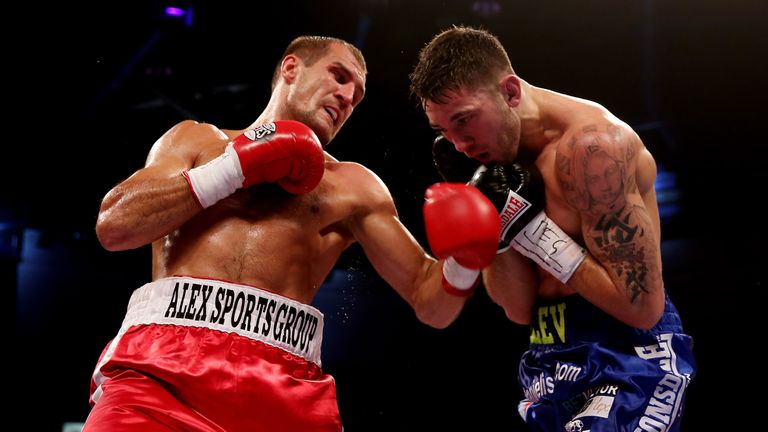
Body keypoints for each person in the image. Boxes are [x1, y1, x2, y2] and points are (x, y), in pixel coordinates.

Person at [85, 35, 503, 432]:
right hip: (159, 376)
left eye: (356, 96)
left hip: (282, 386)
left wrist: (465, 262)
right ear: (290, 68)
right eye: (339, 76)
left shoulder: (354, 186)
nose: (346, 97)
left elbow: (431, 302)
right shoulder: (196, 140)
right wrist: (234, 168)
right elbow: (115, 227)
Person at [410, 26, 696, 431]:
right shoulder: (493, 164)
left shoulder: (594, 150)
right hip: (548, 357)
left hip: (632, 358)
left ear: (510, 92)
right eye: (444, 131)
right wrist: (498, 229)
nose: (459, 144)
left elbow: (643, 309)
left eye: (464, 120)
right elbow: (518, 309)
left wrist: (535, 232)